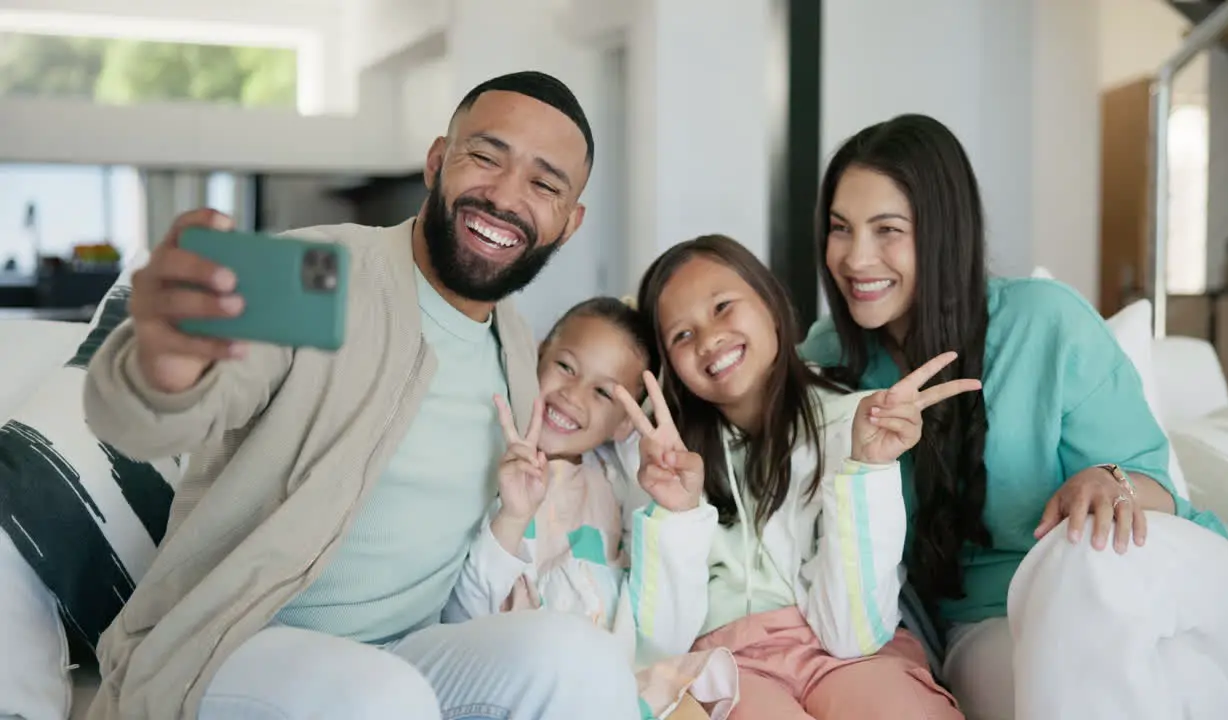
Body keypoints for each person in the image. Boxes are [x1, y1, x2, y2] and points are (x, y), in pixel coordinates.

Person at [80, 71, 640, 720]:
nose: (505, 196)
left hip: (408, 654)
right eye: (485, 157)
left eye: (544, 184)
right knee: (384, 697)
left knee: (583, 660)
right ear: (437, 162)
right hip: (232, 644)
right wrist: (169, 363)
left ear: (568, 223)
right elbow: (148, 418)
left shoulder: (517, 348)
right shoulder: (319, 270)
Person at [800, 113, 1228, 719]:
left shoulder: (1044, 322)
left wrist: (1108, 481)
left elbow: (1150, 485)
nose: (856, 258)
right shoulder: (828, 359)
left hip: (1152, 581)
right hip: (991, 624)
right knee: (1155, 688)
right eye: (840, 229)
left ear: (946, 232)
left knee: (1079, 557)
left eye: (887, 229)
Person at [614, 235, 975, 719]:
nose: (708, 339)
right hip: (727, 663)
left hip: (847, 653)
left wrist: (867, 469)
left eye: (723, 307)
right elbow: (659, 646)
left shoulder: (854, 422)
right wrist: (674, 513)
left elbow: (853, 636)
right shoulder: (658, 457)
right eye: (681, 335)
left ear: (769, 301)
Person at [446, 296, 739, 719]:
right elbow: (462, 620)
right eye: (566, 366)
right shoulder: (491, 463)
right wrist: (511, 516)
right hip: (515, 685)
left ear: (623, 423)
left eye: (604, 392)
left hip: (613, 686)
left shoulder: (615, 486)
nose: (572, 396)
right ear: (538, 354)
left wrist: (676, 511)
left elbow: (663, 638)